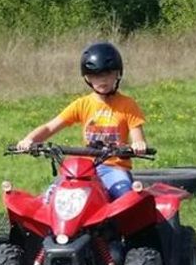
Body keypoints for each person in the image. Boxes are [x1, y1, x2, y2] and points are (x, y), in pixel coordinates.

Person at [16, 42, 147, 200]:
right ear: (88, 78)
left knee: (126, 198)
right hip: (84, 169)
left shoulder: (128, 105)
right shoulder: (82, 104)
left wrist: (138, 145)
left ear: (117, 74)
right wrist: (29, 140)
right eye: (96, 76)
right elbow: (50, 127)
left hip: (114, 168)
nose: (102, 80)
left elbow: (137, 135)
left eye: (107, 74)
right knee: (50, 197)